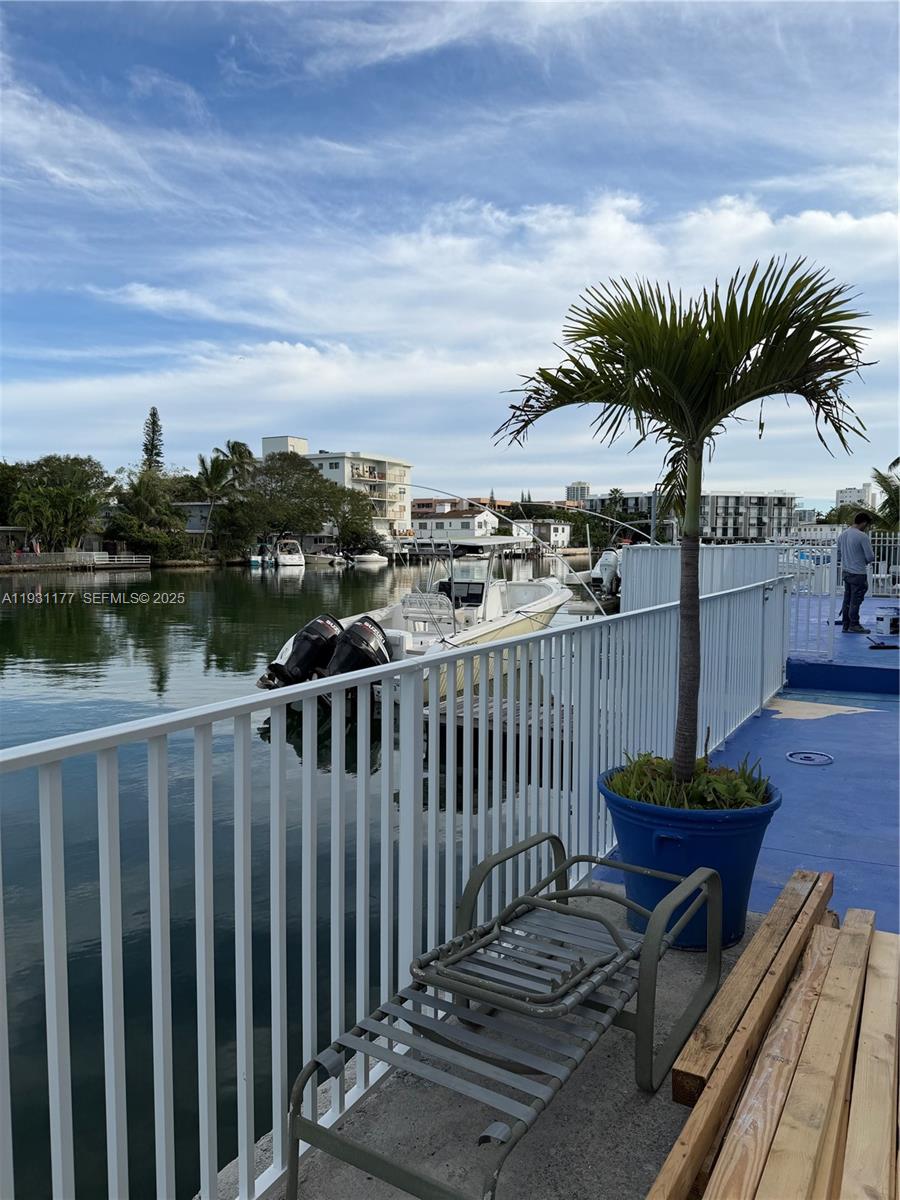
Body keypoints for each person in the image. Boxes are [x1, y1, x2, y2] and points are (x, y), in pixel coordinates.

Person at [836, 512, 875, 633]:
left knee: (847, 599)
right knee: (856, 599)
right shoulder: (862, 536)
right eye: (867, 525)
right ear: (864, 523)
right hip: (858, 572)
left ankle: (846, 624)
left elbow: (838, 555)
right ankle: (854, 624)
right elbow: (870, 557)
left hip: (846, 572)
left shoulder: (842, 535)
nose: (866, 527)